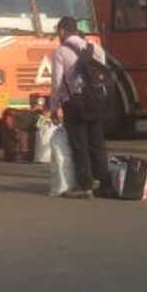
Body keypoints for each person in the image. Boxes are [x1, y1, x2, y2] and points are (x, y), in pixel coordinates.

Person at [47, 16, 109, 199]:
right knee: (97, 143)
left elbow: (57, 83)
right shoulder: (95, 48)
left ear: (62, 31)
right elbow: (102, 75)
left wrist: (54, 107)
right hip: (97, 101)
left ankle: (86, 186)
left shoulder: (60, 52)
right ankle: (103, 184)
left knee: (80, 145)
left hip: (75, 103)